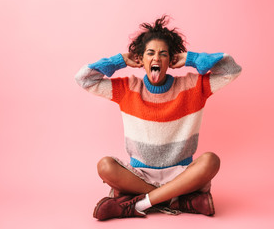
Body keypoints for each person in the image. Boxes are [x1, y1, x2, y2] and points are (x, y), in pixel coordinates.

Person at [75, 15, 242, 220]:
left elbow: (231, 70)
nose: (156, 58)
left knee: (210, 161)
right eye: (150, 53)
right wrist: (120, 60)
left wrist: (191, 59)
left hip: (182, 173)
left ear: (171, 60)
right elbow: (84, 79)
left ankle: (140, 203)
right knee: (105, 166)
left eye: (163, 54)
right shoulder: (128, 88)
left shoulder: (192, 86)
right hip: (139, 175)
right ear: (140, 59)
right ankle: (176, 199)